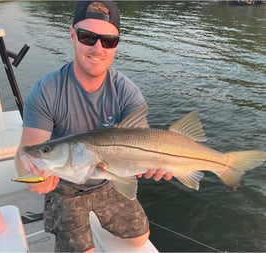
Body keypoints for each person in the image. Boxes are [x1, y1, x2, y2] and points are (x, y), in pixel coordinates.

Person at [14, 1, 172, 252]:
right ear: (72, 35)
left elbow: (143, 144)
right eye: (88, 37)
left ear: (116, 45)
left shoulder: (128, 93)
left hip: (107, 179)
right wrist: (33, 176)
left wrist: (160, 164)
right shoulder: (47, 91)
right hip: (64, 185)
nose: (98, 48)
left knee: (139, 240)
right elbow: (26, 154)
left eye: (108, 40)